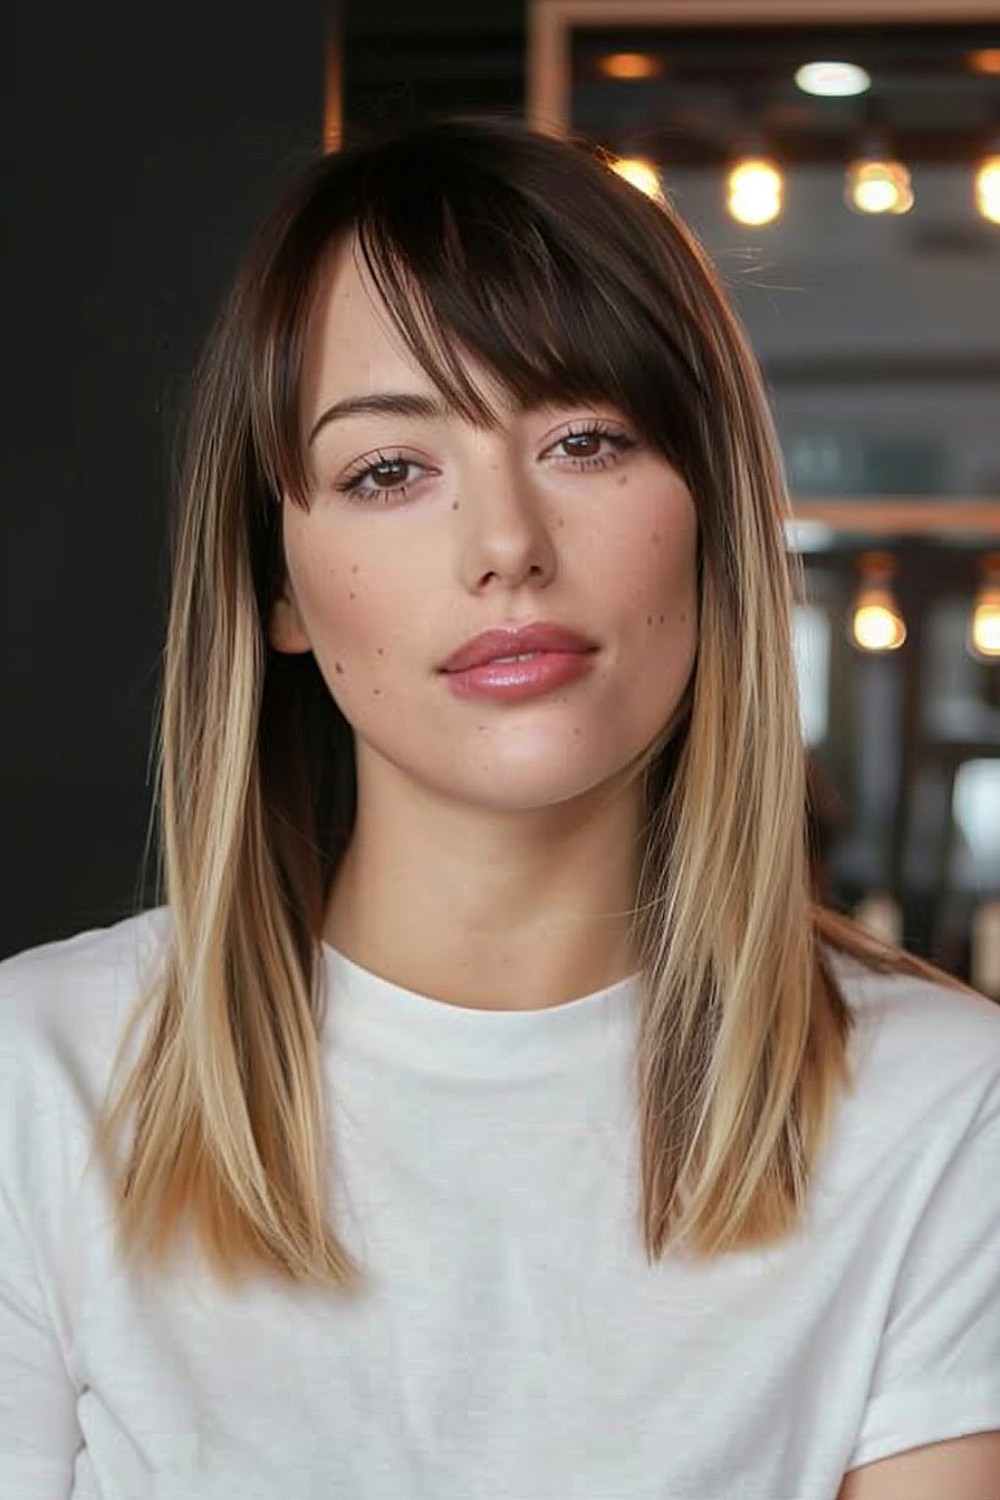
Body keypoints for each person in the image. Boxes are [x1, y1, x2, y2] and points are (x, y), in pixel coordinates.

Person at [1, 116, 998, 1500]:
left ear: (709, 507)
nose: (508, 547)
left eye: (586, 440)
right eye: (389, 471)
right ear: (279, 586)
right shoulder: (39, 1085)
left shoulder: (946, 1111)